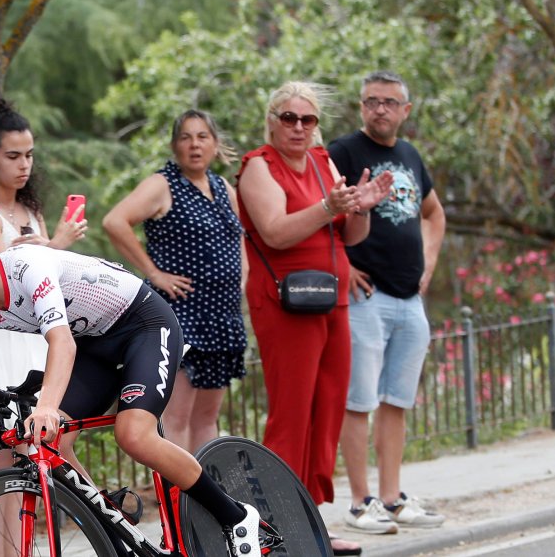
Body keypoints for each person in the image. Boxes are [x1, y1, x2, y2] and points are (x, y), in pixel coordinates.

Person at [0, 199, 270, 556]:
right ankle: (115, 530)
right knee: (50, 443)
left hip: (142, 324)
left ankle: (236, 517)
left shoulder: (26, 267)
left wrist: (47, 406)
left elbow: (60, 342)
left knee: (133, 434)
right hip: (94, 344)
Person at [236, 81, 393, 557]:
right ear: (272, 120)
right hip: (287, 303)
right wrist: (327, 207)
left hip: (332, 299)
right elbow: (277, 232)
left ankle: (312, 520)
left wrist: (360, 208)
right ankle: (273, 523)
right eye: (289, 118)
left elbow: (350, 235)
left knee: (326, 413)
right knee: (292, 413)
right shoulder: (259, 166)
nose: (299, 128)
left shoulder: (325, 162)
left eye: (307, 120)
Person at [0, 98, 86, 556]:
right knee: (5, 455)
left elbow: (43, 279)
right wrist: (58, 244)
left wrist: (54, 246)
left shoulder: (29, 209)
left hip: (37, 340)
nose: (24, 164)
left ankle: (97, 523)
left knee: (50, 445)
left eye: (29, 154)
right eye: (13, 155)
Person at [329, 71, 447, 533]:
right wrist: (344, 266)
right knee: (358, 403)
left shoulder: (410, 155)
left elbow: (434, 213)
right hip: (365, 298)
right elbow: (324, 211)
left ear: (405, 110)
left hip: (408, 300)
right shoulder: (343, 152)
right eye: (371, 101)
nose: (380, 109)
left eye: (389, 102)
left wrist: (429, 264)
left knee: (396, 401)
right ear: (361, 107)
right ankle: (362, 503)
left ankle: (394, 498)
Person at [103, 108, 246, 452]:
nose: (194, 145)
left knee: (208, 418)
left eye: (202, 137)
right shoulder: (162, 184)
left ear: (214, 144)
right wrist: (153, 273)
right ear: (174, 145)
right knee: (176, 416)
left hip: (221, 316)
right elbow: (115, 222)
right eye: (186, 137)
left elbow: (239, 236)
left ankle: (204, 498)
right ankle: (177, 499)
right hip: (181, 316)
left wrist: (242, 276)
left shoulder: (222, 186)